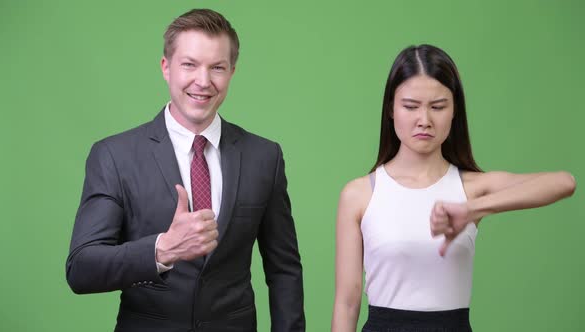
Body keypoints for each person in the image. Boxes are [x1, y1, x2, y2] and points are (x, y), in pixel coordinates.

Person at [66, 8, 305, 332]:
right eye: (189, 65)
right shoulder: (114, 155)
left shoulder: (264, 157)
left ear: (232, 72)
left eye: (217, 67)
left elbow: (284, 270)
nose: (203, 81)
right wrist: (161, 249)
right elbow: (81, 268)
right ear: (166, 68)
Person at [331, 44, 576, 332]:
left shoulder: (471, 187)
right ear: (391, 109)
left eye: (438, 107)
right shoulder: (360, 194)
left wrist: (472, 209)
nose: (425, 120)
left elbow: (564, 183)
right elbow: (347, 304)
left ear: (454, 111)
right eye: (410, 106)